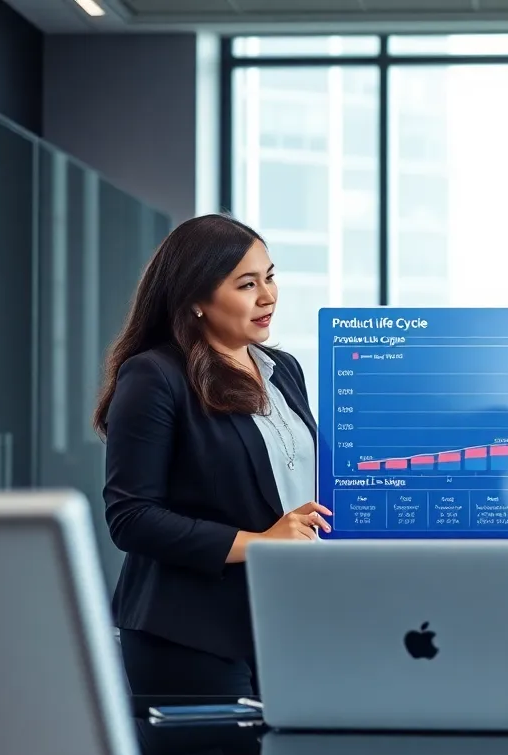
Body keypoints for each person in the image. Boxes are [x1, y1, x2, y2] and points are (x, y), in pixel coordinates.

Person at [93, 213, 332, 697]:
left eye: (270, 277)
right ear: (196, 300)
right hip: (189, 633)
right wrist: (259, 542)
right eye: (247, 284)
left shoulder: (283, 369)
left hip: (284, 622)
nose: (268, 296)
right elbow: (131, 518)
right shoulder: (154, 376)